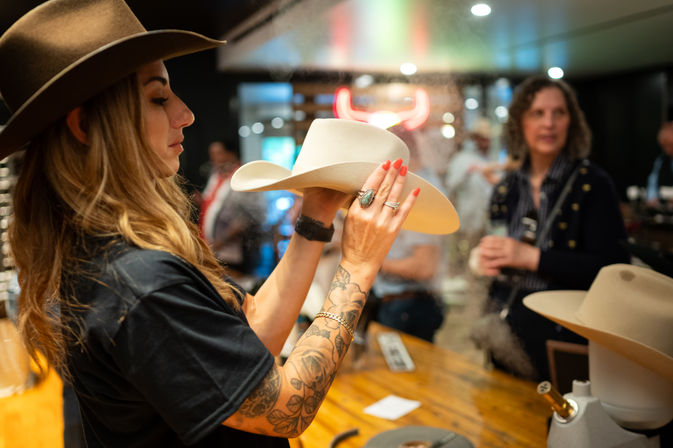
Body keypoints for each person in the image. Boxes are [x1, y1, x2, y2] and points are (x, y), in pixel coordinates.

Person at [0, 1, 434, 446]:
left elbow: (252, 338)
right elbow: (283, 411)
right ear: (86, 125)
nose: (185, 114)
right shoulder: (137, 280)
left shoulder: (108, 251)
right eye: (157, 98)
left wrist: (315, 217)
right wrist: (358, 266)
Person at [473, 75, 630, 381]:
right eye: (538, 113)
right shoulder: (505, 189)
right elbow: (499, 249)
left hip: (565, 335)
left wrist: (532, 258)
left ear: (572, 121)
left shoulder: (592, 184)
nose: (550, 123)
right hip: (507, 329)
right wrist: (486, 260)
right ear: (520, 123)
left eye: (559, 113)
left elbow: (614, 269)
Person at [369, 125, 445, 342]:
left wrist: (368, 260)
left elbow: (423, 267)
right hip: (405, 304)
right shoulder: (419, 184)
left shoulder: (418, 192)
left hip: (407, 306)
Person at [197, 141, 266, 284]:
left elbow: (251, 216)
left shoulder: (244, 177)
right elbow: (215, 205)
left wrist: (222, 241)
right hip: (214, 249)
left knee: (239, 289)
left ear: (231, 154)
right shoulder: (216, 175)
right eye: (212, 155)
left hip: (235, 251)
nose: (214, 159)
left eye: (219, 154)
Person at [645, 121, 673, 208]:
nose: (667, 149)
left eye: (670, 145)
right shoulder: (661, 161)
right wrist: (652, 198)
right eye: (664, 146)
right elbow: (652, 184)